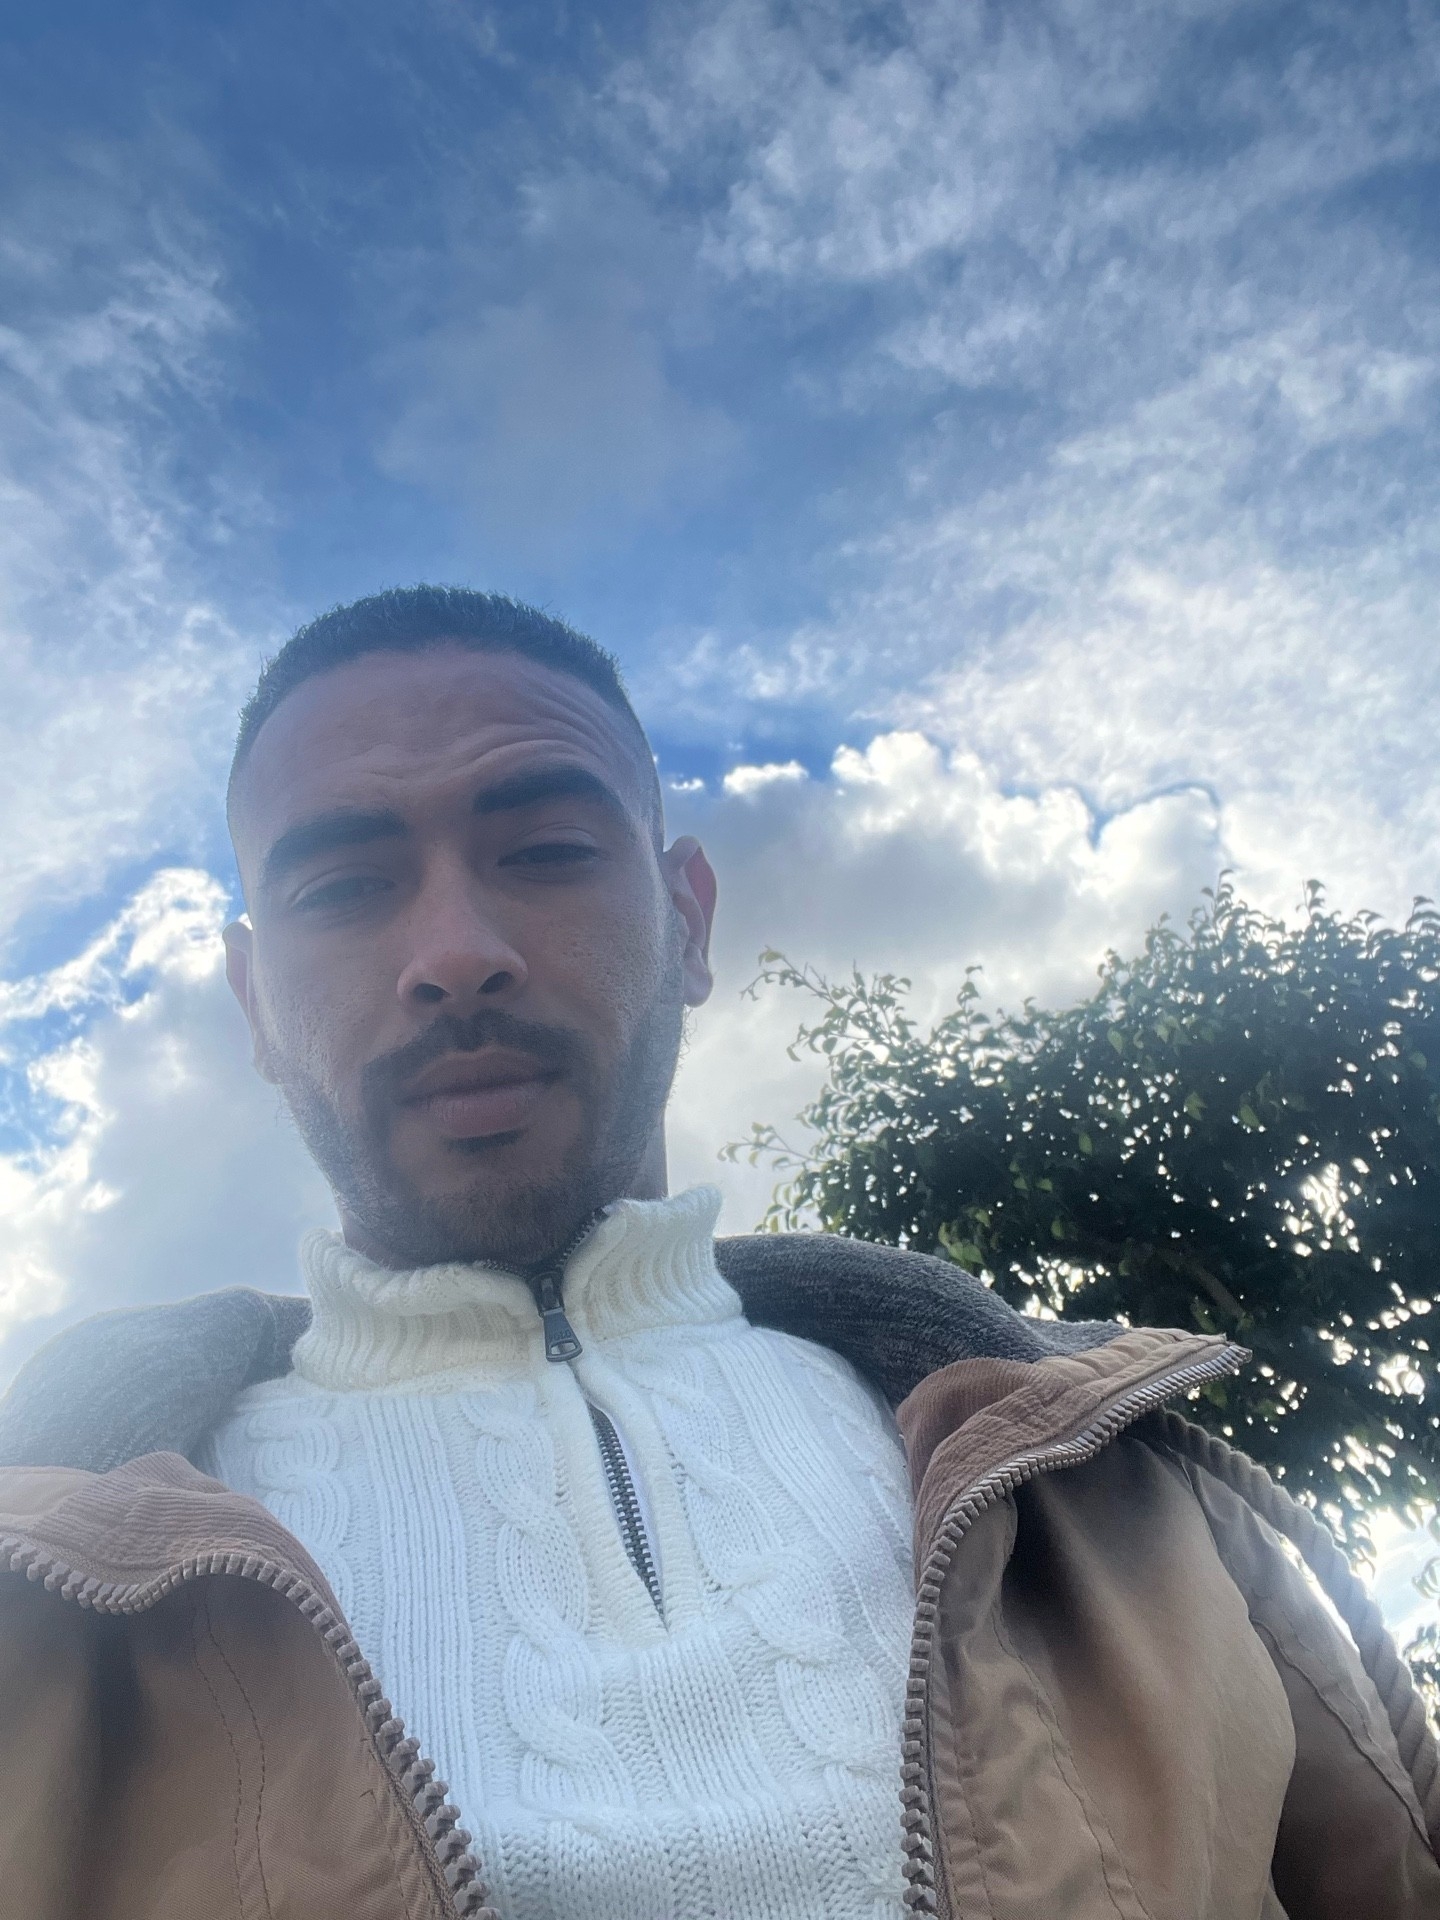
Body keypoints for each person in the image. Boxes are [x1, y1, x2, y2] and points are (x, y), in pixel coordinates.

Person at [0, 586, 1436, 1920]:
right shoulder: (43, 1578)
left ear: (687, 919)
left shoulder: (1110, 1476)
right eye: (341, 887)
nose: (454, 949)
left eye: (546, 850)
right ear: (254, 1000)